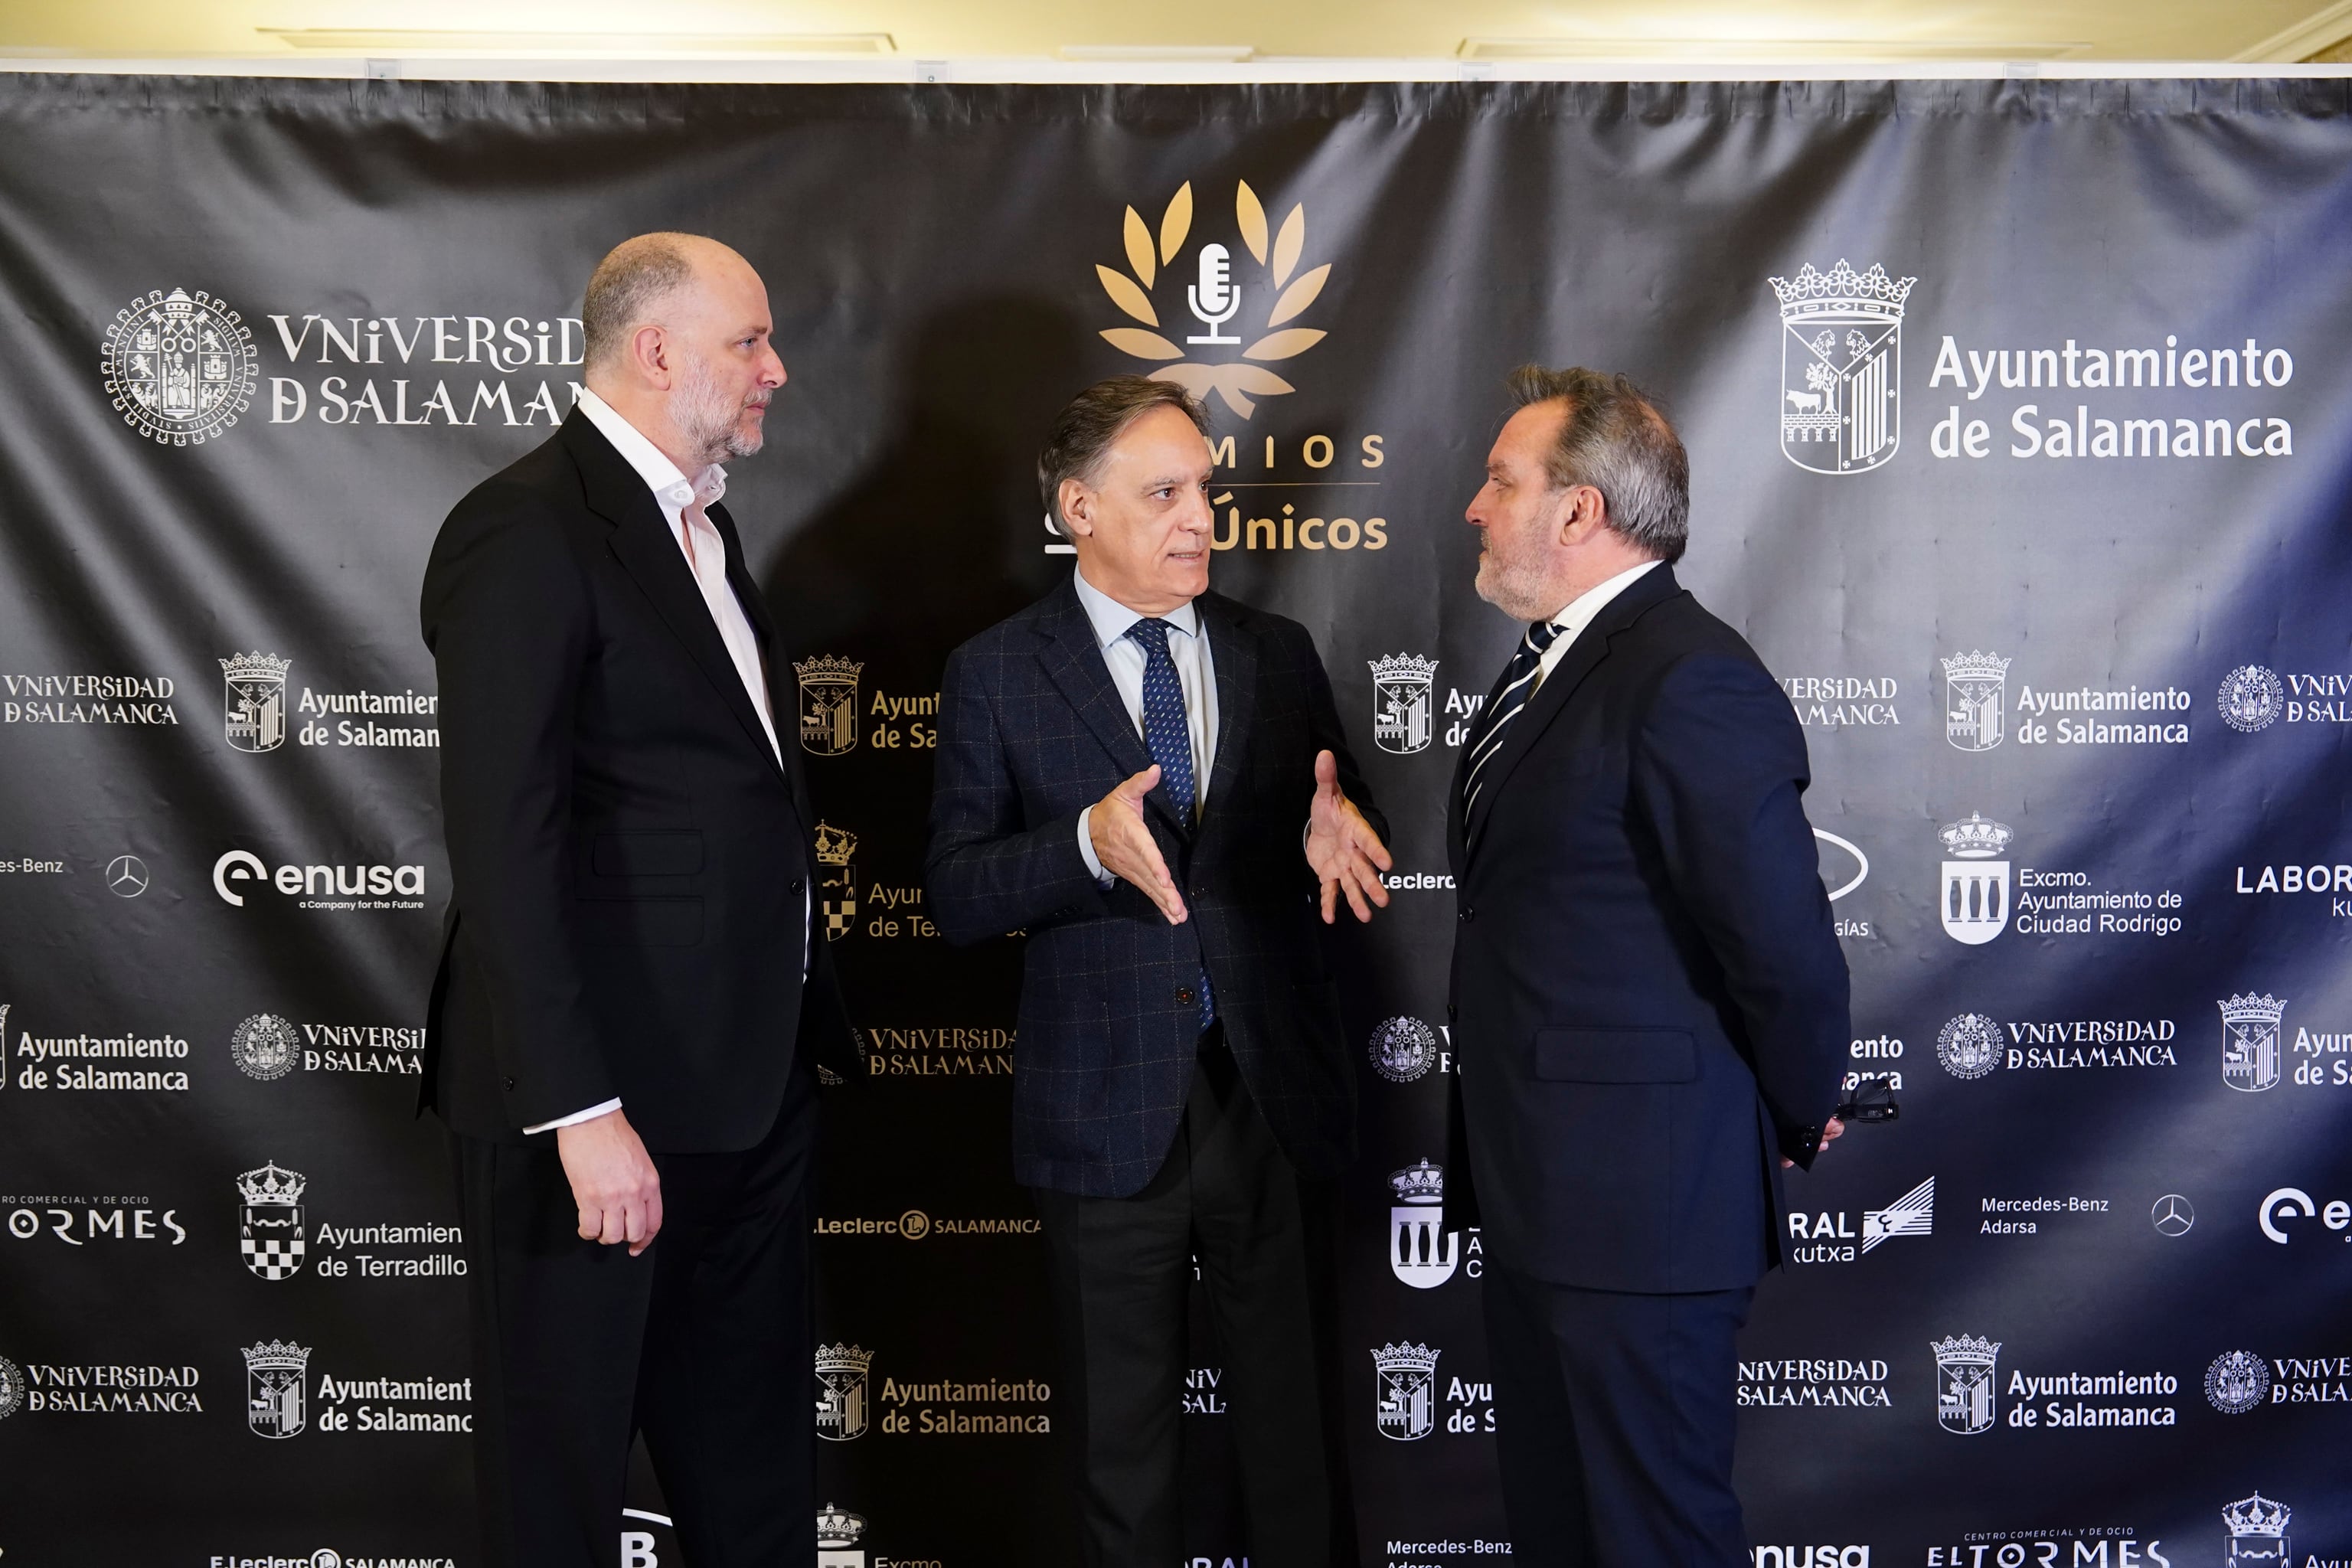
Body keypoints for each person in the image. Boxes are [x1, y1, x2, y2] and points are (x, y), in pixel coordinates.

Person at [419, 232, 859, 1568]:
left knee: (757, 1484)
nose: (777, 369)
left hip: (744, 1090)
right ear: (657, 349)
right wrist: (580, 1110)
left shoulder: (706, 529)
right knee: (560, 1499)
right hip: (595, 1116)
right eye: (751, 342)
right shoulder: (527, 525)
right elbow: (507, 836)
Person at [925, 375, 1393, 1568]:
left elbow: (1339, 814)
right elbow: (956, 893)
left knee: (1296, 1444)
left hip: (1268, 1099)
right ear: (1080, 508)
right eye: (1166, 494)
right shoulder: (997, 670)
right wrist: (1083, 842)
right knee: (1120, 1458)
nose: (1201, 521)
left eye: (1207, 492)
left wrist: (1330, 829)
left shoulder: (1275, 655)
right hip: (1102, 1114)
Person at [1446, 366, 1850, 1566]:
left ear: (1579, 511)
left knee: (1651, 1541)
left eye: (1501, 480)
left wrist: (1795, 1105)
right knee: (1566, 1533)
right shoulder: (1557, 664)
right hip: (1544, 1205)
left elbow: (1784, 948)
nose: (1475, 505)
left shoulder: (1688, 676)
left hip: (1642, 1215)